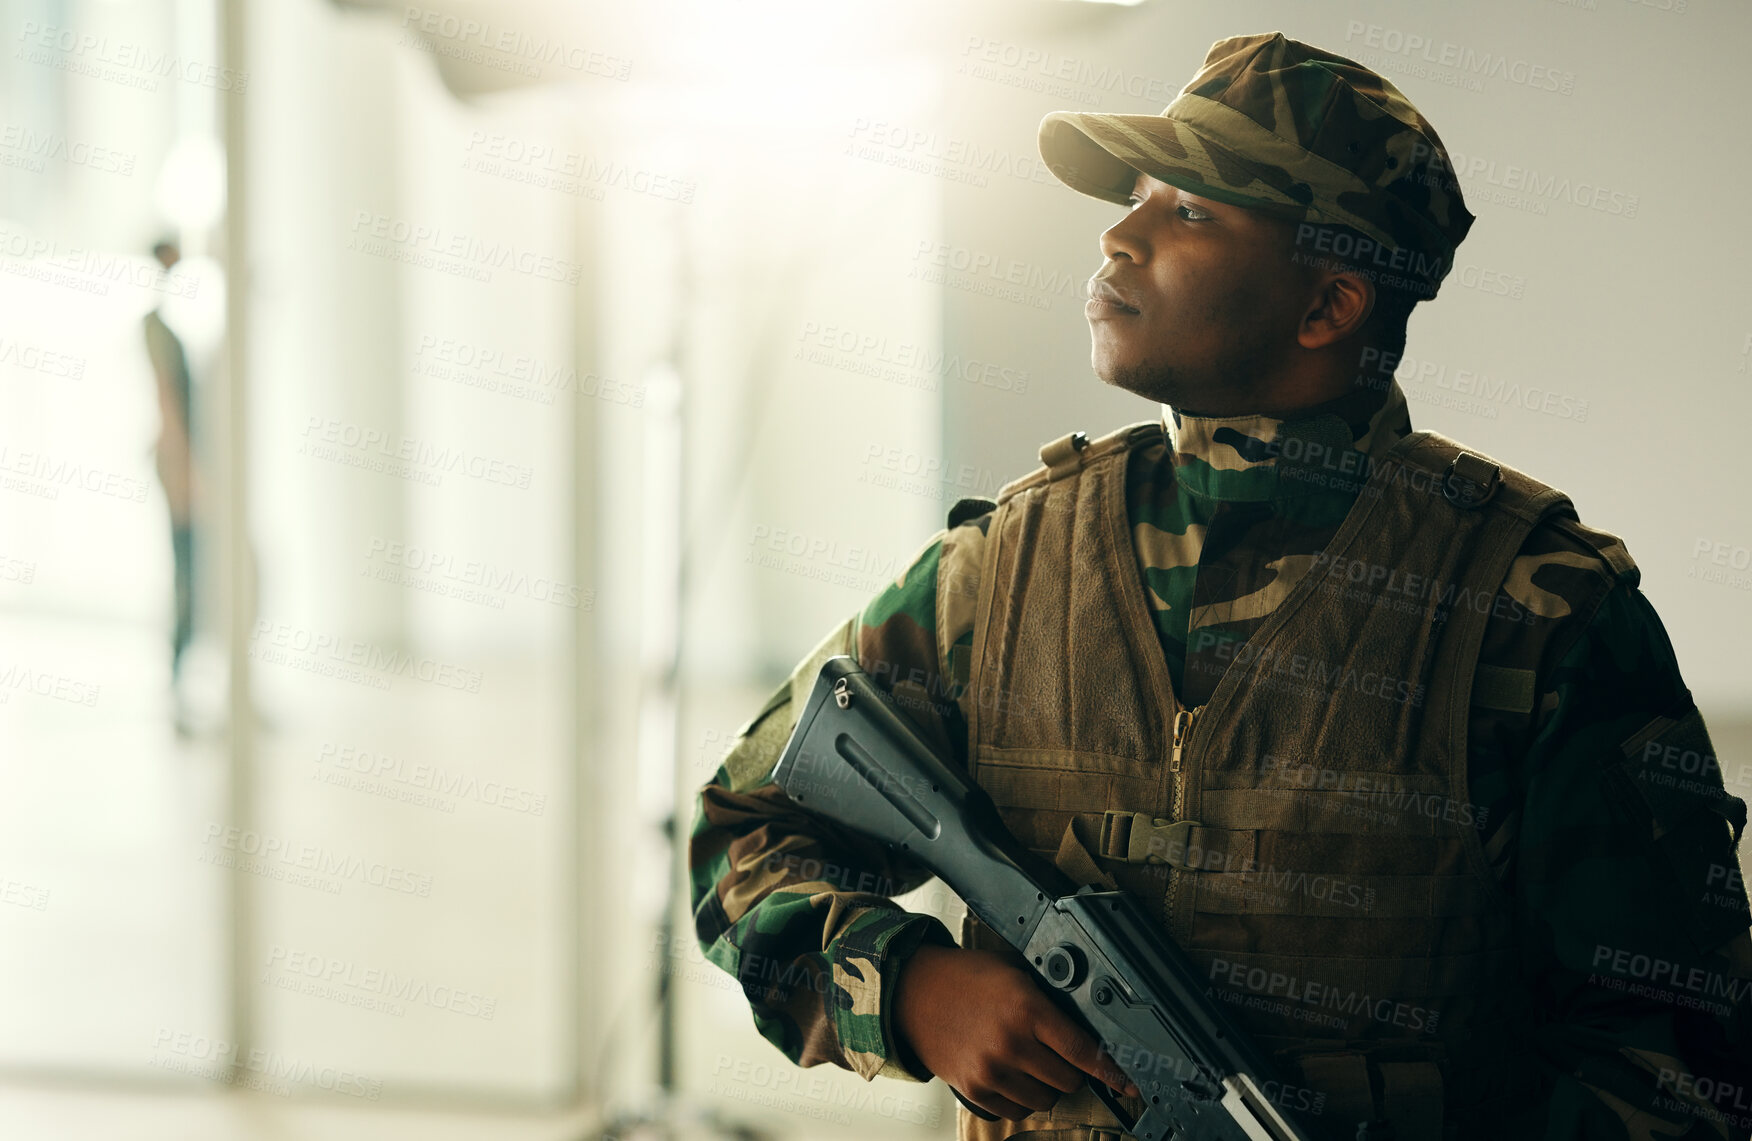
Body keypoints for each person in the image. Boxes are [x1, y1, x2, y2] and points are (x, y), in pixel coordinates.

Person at [690, 32, 1752, 1141]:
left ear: (1328, 307)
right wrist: (904, 988)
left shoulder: (1536, 611)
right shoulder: (1002, 567)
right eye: (1139, 193)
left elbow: (1684, 1057)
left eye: (1190, 210)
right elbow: (749, 830)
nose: (1119, 231)